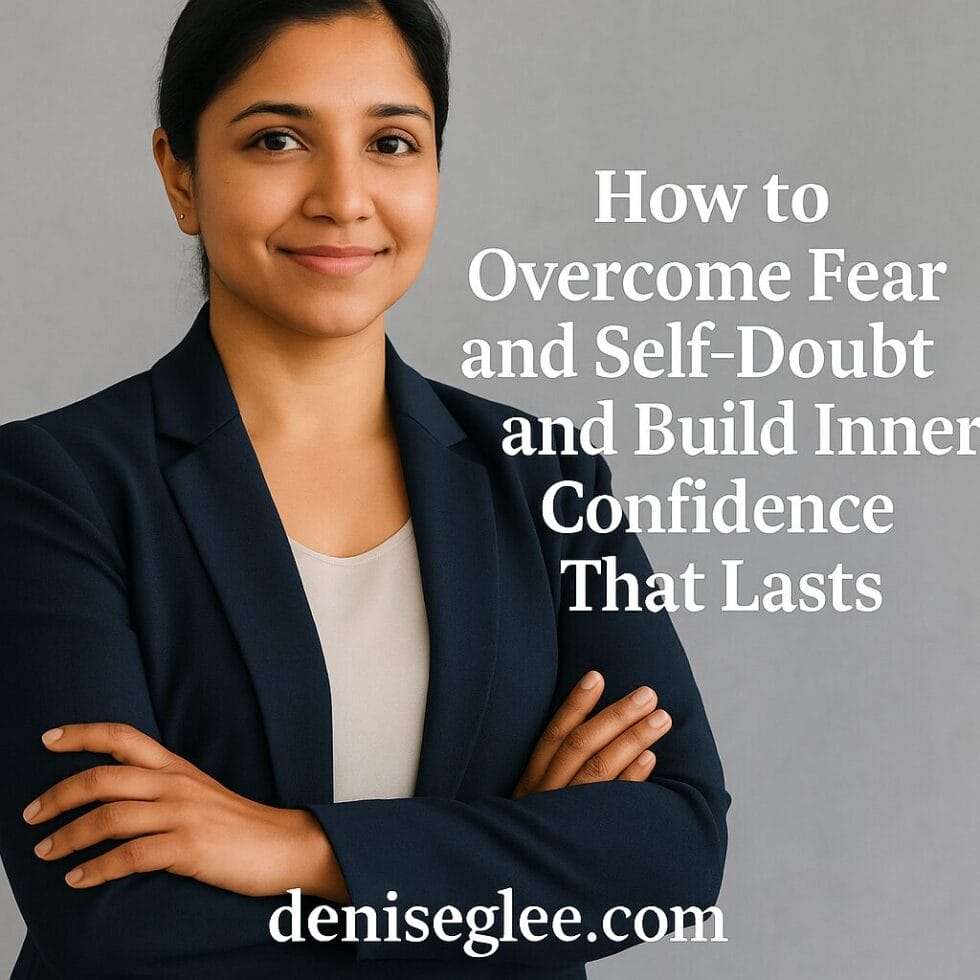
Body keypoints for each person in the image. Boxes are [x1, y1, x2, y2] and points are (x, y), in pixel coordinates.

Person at [0, 1, 731, 976]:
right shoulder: (53, 487)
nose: (343, 196)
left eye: (390, 141)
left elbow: (672, 845)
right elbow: (115, 920)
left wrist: (291, 847)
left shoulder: (544, 476)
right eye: (277, 139)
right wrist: (508, 861)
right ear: (180, 173)